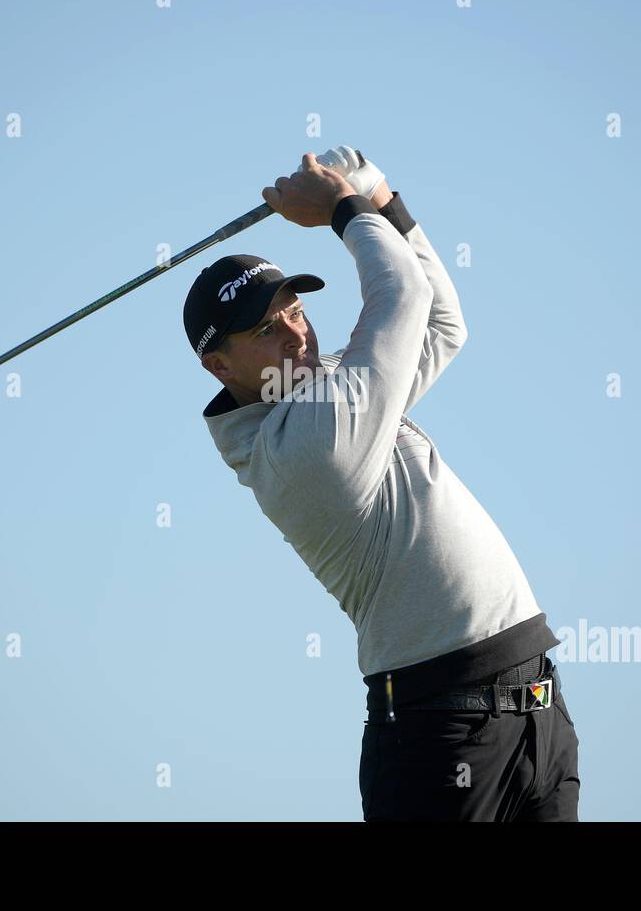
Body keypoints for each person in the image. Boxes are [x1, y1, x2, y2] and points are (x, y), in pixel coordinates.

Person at [182, 147, 580, 821]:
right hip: (439, 733)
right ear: (220, 365)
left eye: (295, 311)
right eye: (264, 327)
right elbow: (403, 295)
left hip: (536, 709)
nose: (294, 335)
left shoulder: (330, 391)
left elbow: (442, 325)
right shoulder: (302, 447)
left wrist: (383, 199)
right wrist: (343, 208)